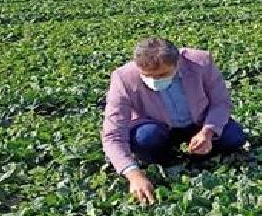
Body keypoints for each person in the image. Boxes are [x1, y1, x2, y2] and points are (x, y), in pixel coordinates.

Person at [101, 37, 247, 204]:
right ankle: (167, 156)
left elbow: (221, 102)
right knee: (145, 139)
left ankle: (199, 151)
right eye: (148, 76)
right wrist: (133, 174)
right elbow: (113, 133)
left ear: (178, 63)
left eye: (163, 75)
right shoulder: (123, 78)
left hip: (198, 122)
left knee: (234, 137)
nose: (155, 81)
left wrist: (208, 131)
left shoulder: (200, 62)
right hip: (157, 127)